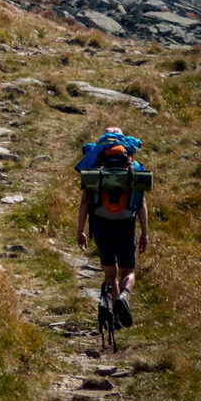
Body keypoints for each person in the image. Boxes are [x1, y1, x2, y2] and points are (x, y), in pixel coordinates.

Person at [77, 125, 149, 327]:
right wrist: (144, 233)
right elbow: (141, 203)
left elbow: (84, 202)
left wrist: (81, 230)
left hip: (100, 224)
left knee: (110, 273)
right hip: (126, 224)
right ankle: (123, 297)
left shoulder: (96, 165)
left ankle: (112, 312)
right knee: (128, 273)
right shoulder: (132, 166)